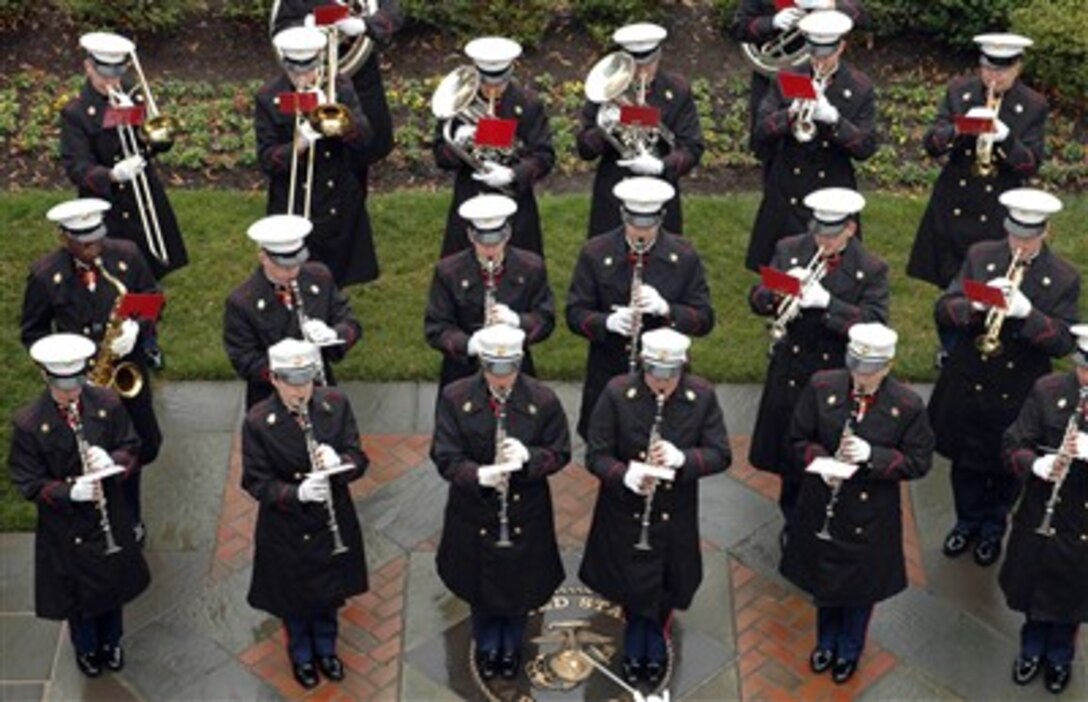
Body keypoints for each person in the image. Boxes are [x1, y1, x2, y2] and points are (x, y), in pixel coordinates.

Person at [929, 188, 1079, 568]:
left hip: (1017, 392)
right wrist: (973, 305)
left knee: (1006, 470)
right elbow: (944, 309)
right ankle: (966, 522)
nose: (1020, 245)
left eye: (1028, 238)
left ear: (1043, 233)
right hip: (970, 381)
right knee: (964, 465)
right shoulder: (982, 256)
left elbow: (1063, 342)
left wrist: (1028, 314)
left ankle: (993, 529)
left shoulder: (1062, 278)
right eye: (1014, 235)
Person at [781, 323, 933, 685]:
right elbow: (797, 437)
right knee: (824, 581)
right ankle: (825, 643)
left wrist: (873, 457)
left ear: (887, 366)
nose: (861, 377)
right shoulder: (823, 386)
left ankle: (849, 649)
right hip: (824, 503)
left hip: (870, 513)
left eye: (871, 369)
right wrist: (821, 462)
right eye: (856, 366)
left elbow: (918, 461)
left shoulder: (906, 405)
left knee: (860, 590)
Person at [580, 328, 731, 687]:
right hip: (624, 512)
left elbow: (720, 453)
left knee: (666, 585)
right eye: (654, 374)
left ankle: (655, 637)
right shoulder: (618, 393)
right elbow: (596, 455)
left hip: (673, 513)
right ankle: (638, 645)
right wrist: (624, 474)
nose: (661, 384)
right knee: (631, 585)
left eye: (670, 376)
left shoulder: (702, 396)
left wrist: (684, 459)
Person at [431, 324, 571, 681]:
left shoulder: (542, 400)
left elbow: (560, 452)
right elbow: (446, 456)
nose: (501, 379)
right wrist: (477, 475)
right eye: (493, 369)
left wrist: (530, 458)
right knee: (480, 591)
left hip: (525, 509)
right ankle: (487, 645)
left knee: (520, 589)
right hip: (474, 510)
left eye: (508, 370)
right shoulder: (454, 397)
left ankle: (510, 647)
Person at [21, 198, 163, 544]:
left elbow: (152, 299)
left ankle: (131, 514)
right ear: (63, 237)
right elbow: (33, 332)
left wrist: (138, 329)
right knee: (89, 454)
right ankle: (101, 521)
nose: (93, 248)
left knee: (139, 446)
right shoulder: (46, 275)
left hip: (126, 370)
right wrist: (62, 361)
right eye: (84, 243)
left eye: (97, 238)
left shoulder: (126, 256)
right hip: (81, 380)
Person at [9, 333, 151, 678]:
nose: (71, 391)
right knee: (78, 596)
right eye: (63, 383)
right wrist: (67, 492)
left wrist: (112, 458)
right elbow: (28, 481)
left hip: (108, 513)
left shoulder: (106, 403)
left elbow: (132, 446)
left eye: (76, 381)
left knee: (113, 583)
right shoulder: (30, 424)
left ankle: (112, 642)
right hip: (66, 526)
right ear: (45, 376)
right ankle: (87, 649)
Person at [748, 187, 888, 526]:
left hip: (834, 372)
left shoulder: (870, 269)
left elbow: (876, 322)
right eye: (817, 232)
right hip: (792, 369)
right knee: (790, 453)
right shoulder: (789, 249)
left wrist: (828, 305)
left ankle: (820, 516)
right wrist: (777, 289)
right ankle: (792, 519)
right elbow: (756, 298)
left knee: (824, 448)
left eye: (831, 234)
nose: (821, 242)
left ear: (850, 229)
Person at [242, 337, 369, 690]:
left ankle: (327, 649)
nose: (301, 390)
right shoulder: (258, 421)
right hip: (287, 526)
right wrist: (294, 492)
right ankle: (301, 654)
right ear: (275, 380)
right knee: (294, 599)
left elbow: (359, 458)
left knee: (329, 592)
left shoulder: (335, 404)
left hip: (331, 520)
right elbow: (255, 481)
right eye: (292, 382)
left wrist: (340, 463)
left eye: (307, 379)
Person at [567, 177, 714, 440]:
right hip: (610, 370)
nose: (641, 232)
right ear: (623, 214)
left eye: (650, 222)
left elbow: (704, 319)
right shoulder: (596, 252)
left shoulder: (683, 255)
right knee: (607, 453)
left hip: (666, 378)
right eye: (634, 222)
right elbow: (575, 312)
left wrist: (667, 310)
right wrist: (607, 322)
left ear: (662, 216)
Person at [907, 33, 1047, 291]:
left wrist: (1005, 138)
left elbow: (1030, 166)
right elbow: (932, 145)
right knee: (950, 290)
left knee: (986, 283)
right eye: (987, 69)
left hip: (996, 207)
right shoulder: (960, 91)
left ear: (1017, 68)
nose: (993, 77)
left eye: (1002, 71)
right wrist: (959, 128)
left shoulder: (1033, 105)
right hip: (955, 201)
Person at [744, 10, 876, 272]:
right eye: (814, 52)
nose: (819, 61)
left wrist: (834, 120)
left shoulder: (859, 87)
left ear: (841, 47)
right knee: (779, 277)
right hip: (787, 191)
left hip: (832, 189)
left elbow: (865, 147)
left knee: (837, 275)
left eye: (826, 54)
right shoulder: (788, 77)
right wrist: (789, 116)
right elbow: (760, 131)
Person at [999, 324, 1088, 695]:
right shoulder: (1049, 391)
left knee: (1072, 599)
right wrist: (1035, 465)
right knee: (1034, 592)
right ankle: (1031, 650)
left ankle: (1060, 657)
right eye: (1083, 367)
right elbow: (1014, 442)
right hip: (1042, 514)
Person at [59, 31, 188, 281]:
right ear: (89, 67)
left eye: (118, 73)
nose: (113, 81)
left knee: (151, 261)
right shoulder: (76, 113)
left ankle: (147, 297)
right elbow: (76, 167)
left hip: (144, 192)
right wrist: (112, 174)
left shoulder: (132, 94)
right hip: (107, 202)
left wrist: (151, 134)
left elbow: (153, 144)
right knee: (114, 264)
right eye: (105, 74)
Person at [255, 25, 377, 287]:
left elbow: (366, 138)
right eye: (294, 71)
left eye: (309, 69)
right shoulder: (269, 96)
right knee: (294, 272)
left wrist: (338, 120)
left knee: (337, 273)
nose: (303, 79)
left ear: (319, 61)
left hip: (338, 196)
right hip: (294, 197)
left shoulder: (339, 85)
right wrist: (297, 145)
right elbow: (266, 159)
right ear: (285, 65)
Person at [577, 23, 704, 237]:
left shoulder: (677, 90)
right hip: (614, 190)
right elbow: (584, 149)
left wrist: (661, 166)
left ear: (659, 55)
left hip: (660, 189)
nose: (642, 70)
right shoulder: (607, 90)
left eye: (648, 62)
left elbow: (693, 147)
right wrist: (605, 129)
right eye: (634, 64)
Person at [224, 214, 362, 410]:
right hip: (271, 401)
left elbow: (350, 322)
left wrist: (333, 334)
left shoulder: (319, 277)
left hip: (320, 396)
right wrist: (291, 368)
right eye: (283, 266)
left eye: (296, 263)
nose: (292, 272)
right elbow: (244, 359)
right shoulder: (243, 302)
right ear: (263, 257)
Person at [434, 36, 555, 256]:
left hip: (515, 199)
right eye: (485, 83)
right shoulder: (459, 103)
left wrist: (512, 174)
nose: (492, 91)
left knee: (521, 268)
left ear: (509, 74)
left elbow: (544, 156)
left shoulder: (527, 104)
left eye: (499, 84)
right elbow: (440, 156)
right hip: (471, 192)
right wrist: (458, 145)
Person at [425, 194, 555, 388]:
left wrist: (517, 320)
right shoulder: (449, 271)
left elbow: (545, 319)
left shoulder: (530, 267)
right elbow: (436, 327)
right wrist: (469, 344)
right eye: (483, 241)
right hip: (462, 373)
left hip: (514, 369)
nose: (490, 249)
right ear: (470, 235)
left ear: (508, 233)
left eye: (496, 241)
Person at [729, 0, 867, 183]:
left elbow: (861, 16)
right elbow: (739, 27)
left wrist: (829, 5)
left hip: (823, 70)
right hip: (775, 78)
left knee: (827, 149)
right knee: (774, 149)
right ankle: (778, 206)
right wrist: (772, 22)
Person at [270, 0, 404, 167]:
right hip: (309, 79)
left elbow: (394, 13)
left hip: (360, 81)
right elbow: (280, 31)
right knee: (311, 161)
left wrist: (363, 24)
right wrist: (307, 24)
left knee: (359, 158)